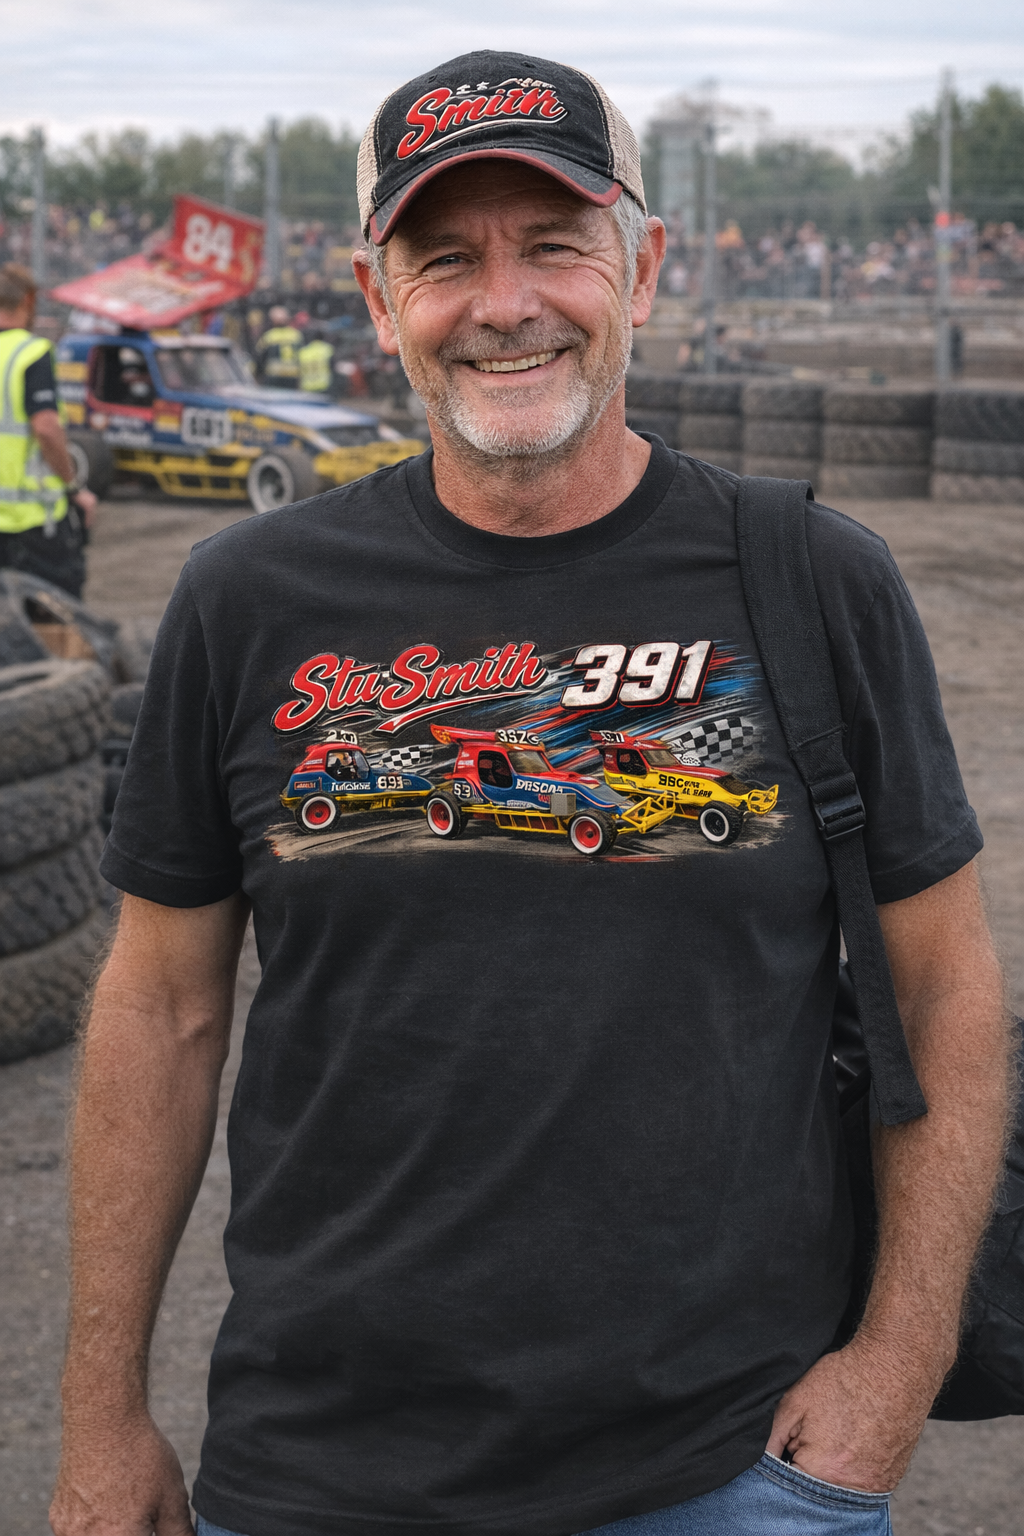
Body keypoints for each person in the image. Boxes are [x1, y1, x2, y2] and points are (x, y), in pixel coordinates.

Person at [51, 51, 1009, 1536]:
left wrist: (900, 1360)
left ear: (645, 271)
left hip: (730, 1466)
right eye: (445, 259)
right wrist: (101, 1416)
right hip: (321, 1467)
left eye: (555, 244)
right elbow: (160, 1010)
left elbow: (944, 987)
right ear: (378, 300)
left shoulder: (816, 581)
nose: (504, 303)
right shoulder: (247, 599)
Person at [0, 263, 98, 597]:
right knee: (56, 614)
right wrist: (73, 486)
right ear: (28, 300)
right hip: (28, 524)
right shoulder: (31, 353)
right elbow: (46, 429)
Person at [254, 304, 303, 387]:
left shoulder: (268, 336)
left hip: (273, 377)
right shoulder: (296, 335)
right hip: (293, 377)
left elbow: (259, 358)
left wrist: (257, 375)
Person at [297, 327, 335, 394]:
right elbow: (332, 366)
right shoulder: (327, 349)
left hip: (307, 386)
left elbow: (298, 369)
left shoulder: (303, 351)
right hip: (323, 385)